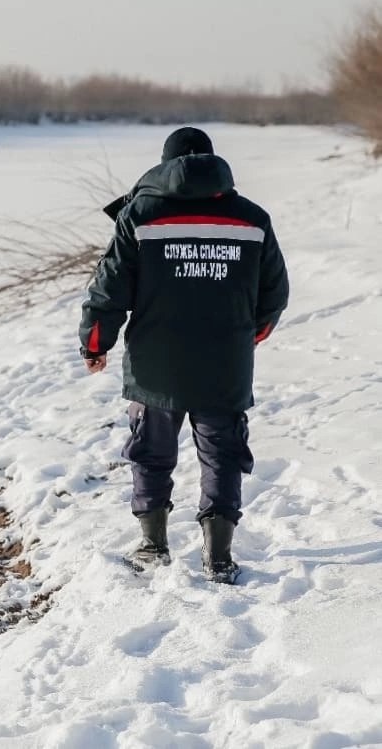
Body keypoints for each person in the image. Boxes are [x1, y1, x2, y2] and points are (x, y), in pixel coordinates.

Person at [79, 127, 289, 583]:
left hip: (156, 366)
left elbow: (107, 290)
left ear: (165, 165)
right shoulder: (252, 218)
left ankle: (153, 546)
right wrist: (245, 337)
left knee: (152, 454)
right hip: (224, 365)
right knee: (222, 455)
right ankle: (219, 558)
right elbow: (274, 296)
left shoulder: (140, 214)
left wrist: (96, 344)